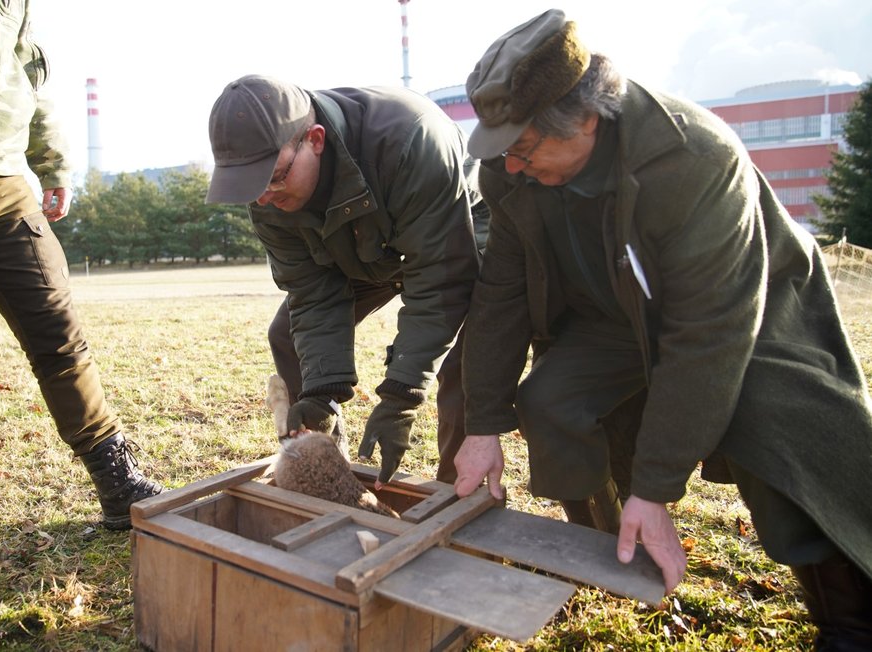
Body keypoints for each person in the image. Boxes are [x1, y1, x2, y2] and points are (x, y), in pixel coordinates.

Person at [452, 9, 872, 649]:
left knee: (778, 424)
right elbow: (501, 297)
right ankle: (609, 552)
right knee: (549, 400)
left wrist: (657, 484)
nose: (510, 166)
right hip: (613, 320)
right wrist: (483, 421)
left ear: (585, 119)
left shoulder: (695, 159)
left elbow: (708, 336)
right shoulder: (512, 176)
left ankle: (849, 620)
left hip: (744, 315)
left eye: (523, 147)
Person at [0, 0, 162, 578]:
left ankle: (116, 480)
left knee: (58, 332)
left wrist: (55, 164)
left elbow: (30, 74)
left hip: (4, 177)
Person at [206, 74, 486, 487]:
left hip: (459, 227)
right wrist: (321, 391)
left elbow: (440, 279)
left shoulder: (410, 138)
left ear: (315, 140)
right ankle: (326, 474)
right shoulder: (267, 196)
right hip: (363, 247)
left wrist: (402, 394)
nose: (264, 196)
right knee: (287, 336)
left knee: (470, 362)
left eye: (275, 176)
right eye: (252, 187)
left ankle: (459, 500)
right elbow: (312, 290)